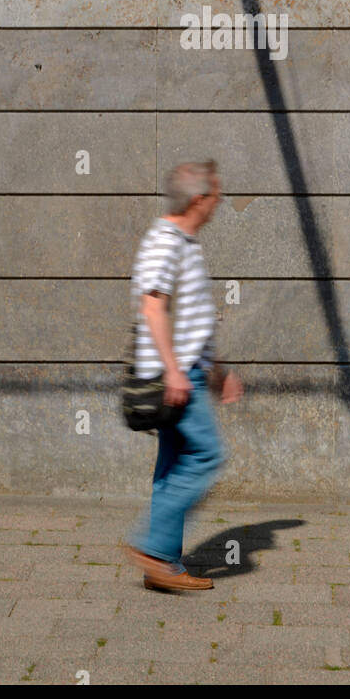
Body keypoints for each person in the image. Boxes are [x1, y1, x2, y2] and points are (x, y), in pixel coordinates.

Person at [123, 159, 243, 592]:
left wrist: (219, 372)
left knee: (173, 465)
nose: (219, 204)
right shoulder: (164, 241)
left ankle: (164, 565)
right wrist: (175, 371)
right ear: (198, 199)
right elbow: (152, 306)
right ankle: (151, 547)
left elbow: (193, 320)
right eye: (216, 196)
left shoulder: (186, 243)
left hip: (188, 372)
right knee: (207, 455)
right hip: (173, 377)